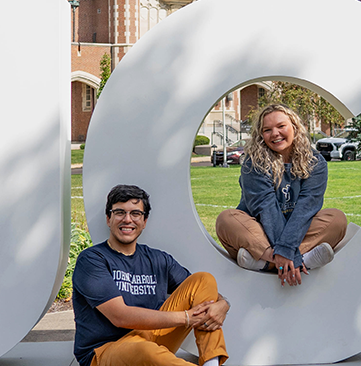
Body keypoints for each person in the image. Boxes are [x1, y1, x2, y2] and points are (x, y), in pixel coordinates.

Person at [73, 184, 230, 366]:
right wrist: (186, 318)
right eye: (119, 213)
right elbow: (120, 316)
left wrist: (223, 304)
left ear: (144, 221)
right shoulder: (92, 260)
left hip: (150, 340)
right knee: (146, 351)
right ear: (108, 219)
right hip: (105, 351)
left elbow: (200, 292)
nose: (127, 219)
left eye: (135, 214)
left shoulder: (157, 259)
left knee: (204, 279)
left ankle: (211, 362)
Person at [215, 103, 346, 286]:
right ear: (261, 136)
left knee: (336, 219)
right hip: (260, 232)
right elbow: (265, 207)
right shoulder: (253, 164)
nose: (275, 133)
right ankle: (302, 260)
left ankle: (265, 263)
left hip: (299, 231)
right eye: (267, 130)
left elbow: (306, 208)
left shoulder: (315, 162)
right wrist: (284, 251)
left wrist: (285, 248)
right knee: (227, 219)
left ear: (295, 126)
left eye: (281, 126)